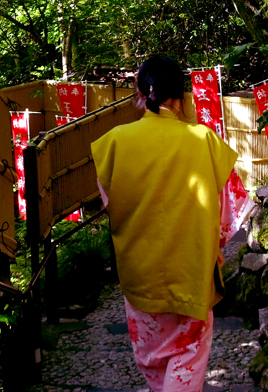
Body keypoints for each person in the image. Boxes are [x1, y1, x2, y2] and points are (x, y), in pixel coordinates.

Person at [91, 56, 238, 392]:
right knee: (186, 360)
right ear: (181, 95)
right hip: (192, 272)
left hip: (140, 275)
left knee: (154, 363)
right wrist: (213, 243)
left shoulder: (113, 143)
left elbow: (113, 205)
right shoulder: (203, 140)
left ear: (140, 93)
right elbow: (226, 217)